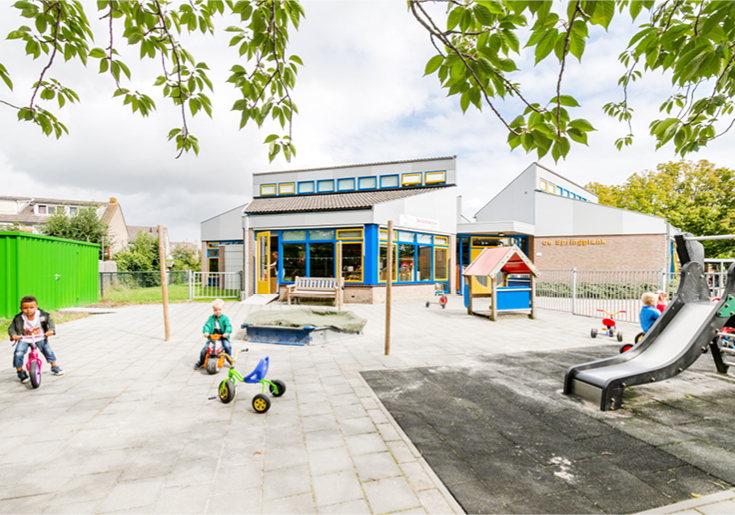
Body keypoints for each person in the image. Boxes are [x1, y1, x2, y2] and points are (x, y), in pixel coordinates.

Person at [7, 295, 64, 383]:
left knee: (47, 350)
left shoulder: (41, 315)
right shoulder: (19, 318)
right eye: (25, 308)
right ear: (21, 308)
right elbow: (11, 328)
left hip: (39, 337)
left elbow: (50, 322)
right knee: (18, 353)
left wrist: (50, 330)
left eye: (31, 307)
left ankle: (54, 366)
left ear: (36, 307)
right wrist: (13, 335)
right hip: (24, 338)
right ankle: (20, 371)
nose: (28, 310)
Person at [193, 299, 233, 369]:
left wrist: (227, 332)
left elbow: (228, 326)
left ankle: (229, 358)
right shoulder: (211, 318)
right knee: (204, 350)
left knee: (227, 346)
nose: (218, 312)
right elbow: (207, 325)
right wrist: (206, 332)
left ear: (223, 309)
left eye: (219, 310)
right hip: (212, 337)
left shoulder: (225, 318)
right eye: (215, 310)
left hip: (222, 337)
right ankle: (201, 361)